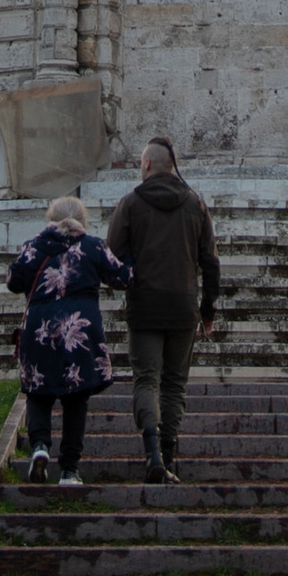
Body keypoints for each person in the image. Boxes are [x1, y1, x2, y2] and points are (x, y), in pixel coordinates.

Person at [105, 139, 220, 486]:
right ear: (171, 166)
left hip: (144, 306)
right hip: (184, 307)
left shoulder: (130, 204)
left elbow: (111, 255)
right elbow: (211, 263)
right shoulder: (196, 204)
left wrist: (129, 275)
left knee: (146, 380)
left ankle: (152, 454)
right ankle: (168, 458)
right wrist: (208, 310)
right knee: (174, 385)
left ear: (147, 165)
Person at [5, 194, 129, 489]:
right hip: (78, 332)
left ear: (51, 219)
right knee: (77, 398)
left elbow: (12, 282)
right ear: (83, 220)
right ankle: (69, 471)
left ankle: (39, 446)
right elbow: (123, 277)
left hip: (40, 330)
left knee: (38, 392)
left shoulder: (33, 247)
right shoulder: (93, 247)